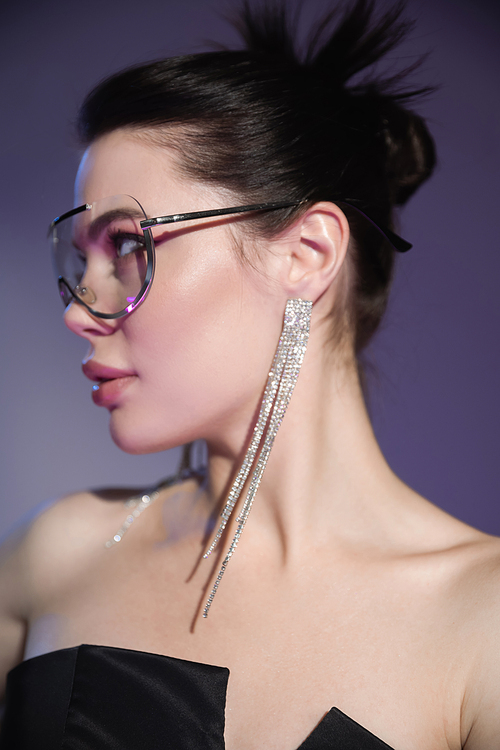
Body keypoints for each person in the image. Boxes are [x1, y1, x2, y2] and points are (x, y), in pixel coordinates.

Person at [1, 0, 499, 747]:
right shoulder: (54, 556)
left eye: (130, 246)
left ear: (305, 255)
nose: (81, 308)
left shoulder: (481, 623)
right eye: (81, 263)